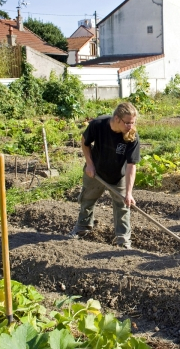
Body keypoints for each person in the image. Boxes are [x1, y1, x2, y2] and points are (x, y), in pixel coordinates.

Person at [69, 102, 140, 249]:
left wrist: (128, 193)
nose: (130, 126)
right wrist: (89, 164)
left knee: (122, 206)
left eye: (133, 122)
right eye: (127, 123)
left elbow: (131, 165)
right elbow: (85, 141)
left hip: (117, 175)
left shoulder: (132, 136)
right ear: (116, 119)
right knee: (87, 199)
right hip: (95, 171)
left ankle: (123, 239)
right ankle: (82, 228)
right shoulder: (98, 124)